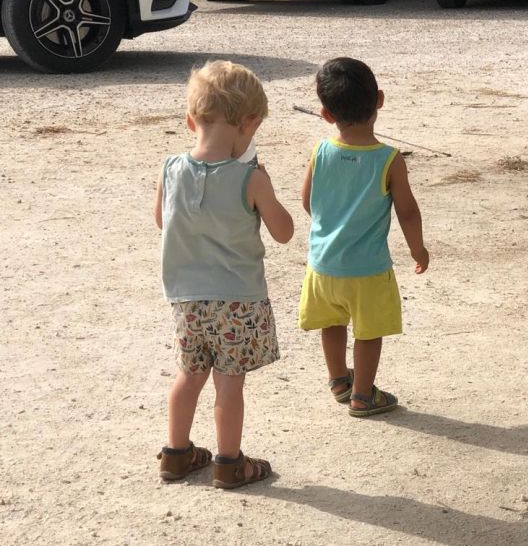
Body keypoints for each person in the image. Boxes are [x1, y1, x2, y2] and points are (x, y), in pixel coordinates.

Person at [153, 61, 293, 488]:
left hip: (187, 299)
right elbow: (284, 232)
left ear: (190, 120)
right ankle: (230, 463)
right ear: (248, 124)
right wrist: (265, 187)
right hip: (238, 301)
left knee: (189, 374)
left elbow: (161, 221)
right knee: (229, 384)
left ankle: (176, 454)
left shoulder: (170, 169)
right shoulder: (250, 178)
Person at [299, 57, 429, 417]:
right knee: (369, 331)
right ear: (379, 100)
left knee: (332, 322)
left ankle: (339, 381)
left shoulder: (320, 151)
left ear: (326, 114)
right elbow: (407, 211)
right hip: (368, 269)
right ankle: (362, 395)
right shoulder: (389, 159)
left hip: (323, 266)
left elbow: (307, 200)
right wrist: (418, 250)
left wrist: (332, 225)